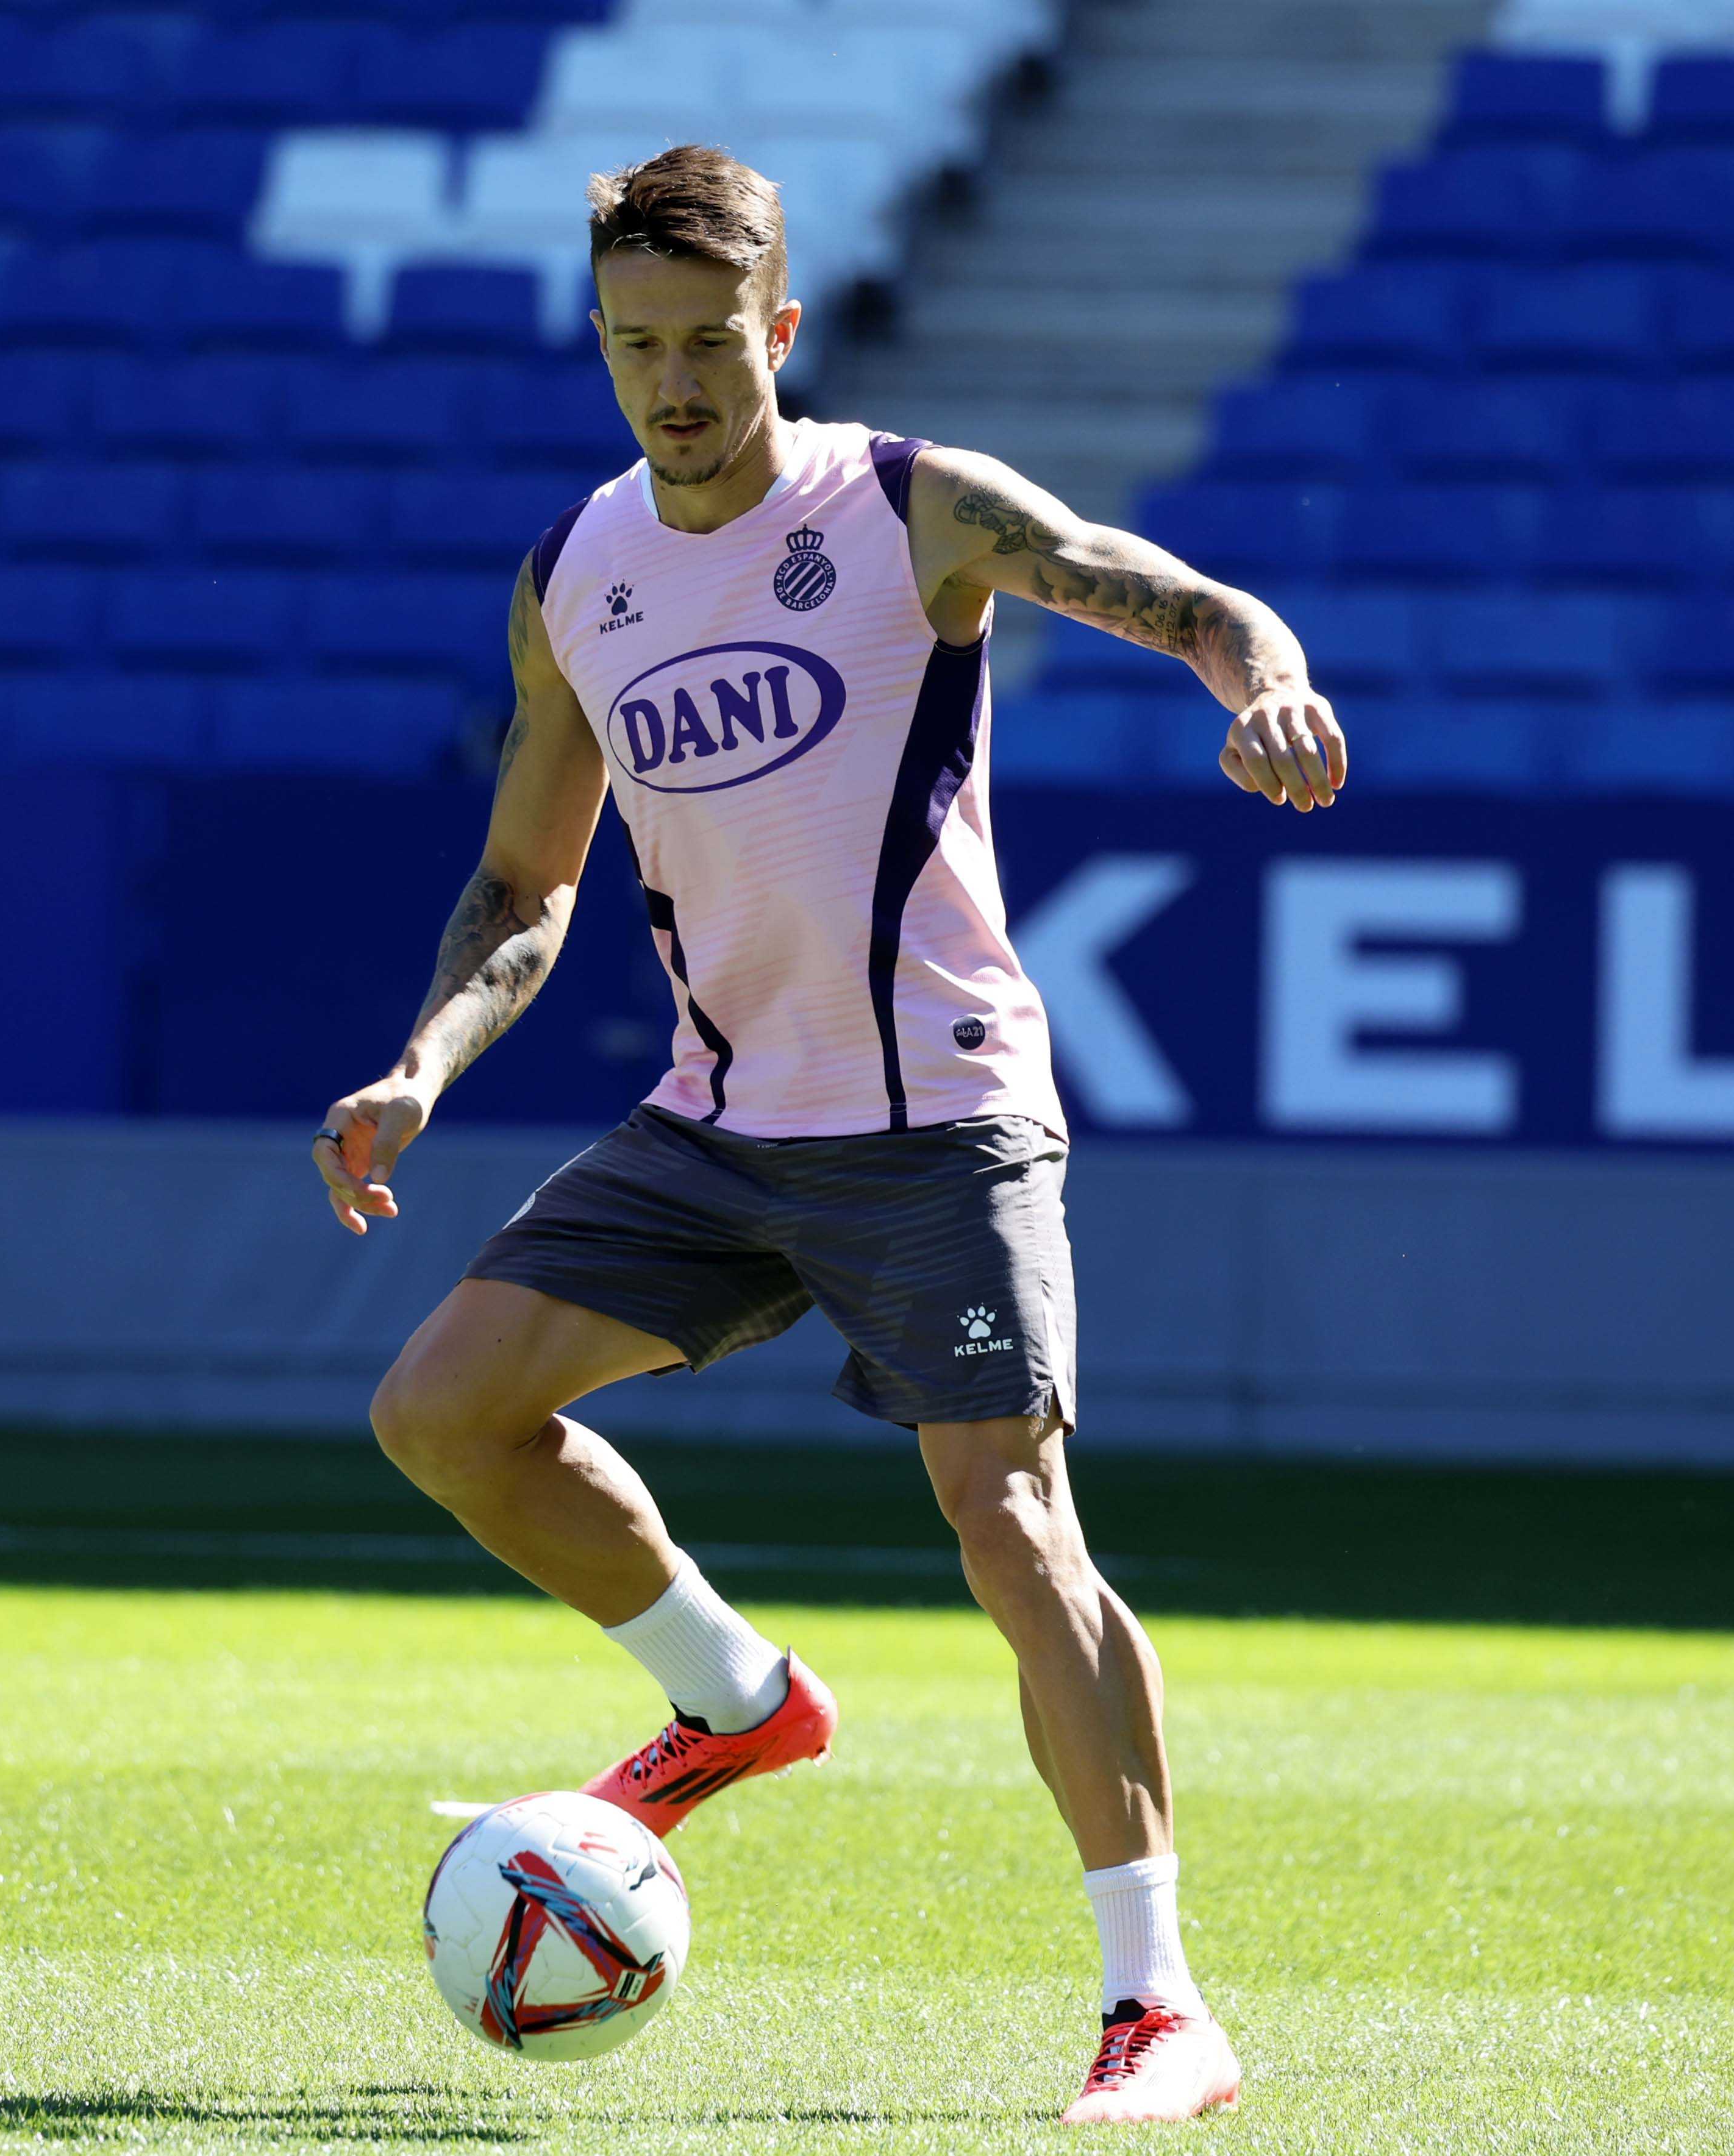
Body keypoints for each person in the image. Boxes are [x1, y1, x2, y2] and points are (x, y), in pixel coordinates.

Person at [311, 146, 1343, 2127]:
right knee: (440, 1411)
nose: (674, 384)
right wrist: (426, 1062)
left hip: (939, 1116)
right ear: (600, 346)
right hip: (715, 1123)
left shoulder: (902, 508)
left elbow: (1185, 599)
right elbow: (525, 881)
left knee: (1010, 1522)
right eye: (636, 347)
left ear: (779, 330)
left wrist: (1269, 683)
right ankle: (737, 1699)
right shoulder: (575, 576)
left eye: (709, 343)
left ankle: (1160, 2007)